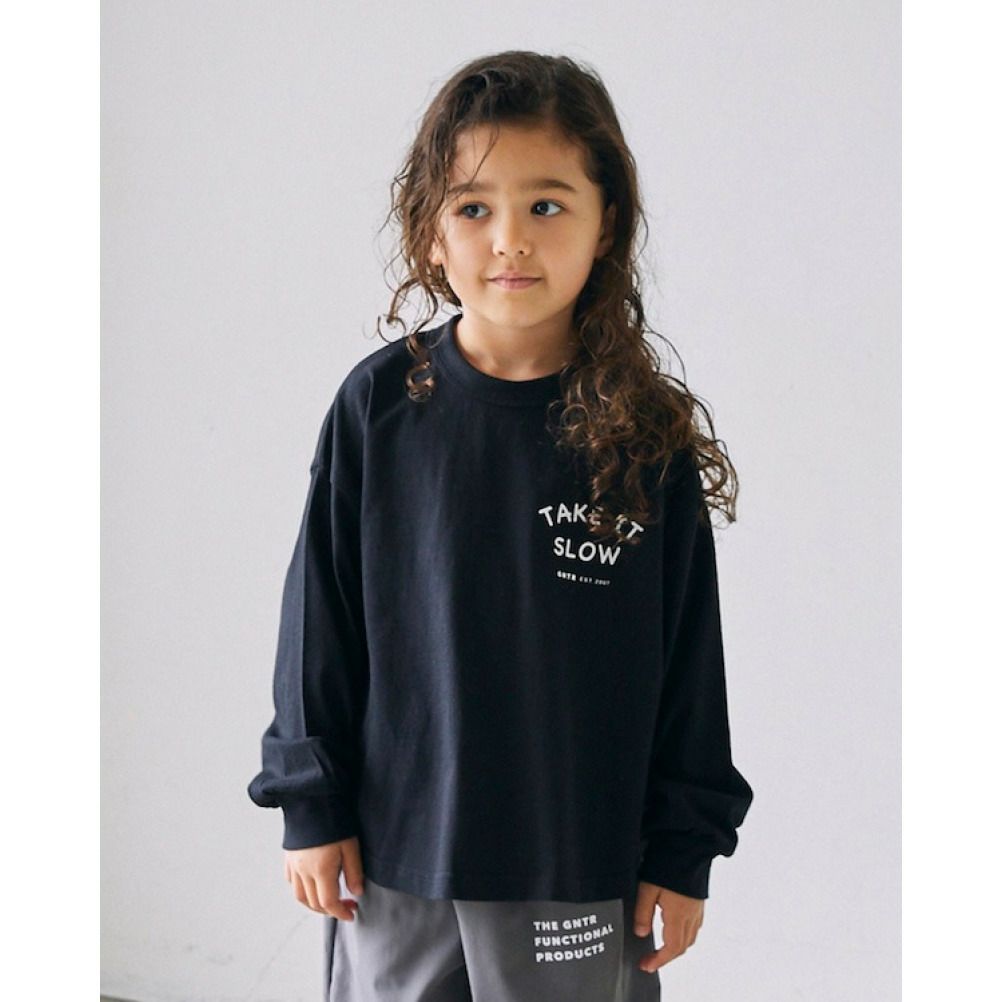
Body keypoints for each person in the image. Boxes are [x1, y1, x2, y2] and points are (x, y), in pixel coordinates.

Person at [247, 50, 754, 1002]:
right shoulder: (379, 408)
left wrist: (684, 850)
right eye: (474, 208)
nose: (511, 240)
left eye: (547, 205)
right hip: (394, 858)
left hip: (576, 861)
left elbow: (690, 658)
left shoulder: (643, 434)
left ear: (607, 225)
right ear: (431, 232)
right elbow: (319, 621)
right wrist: (309, 803)